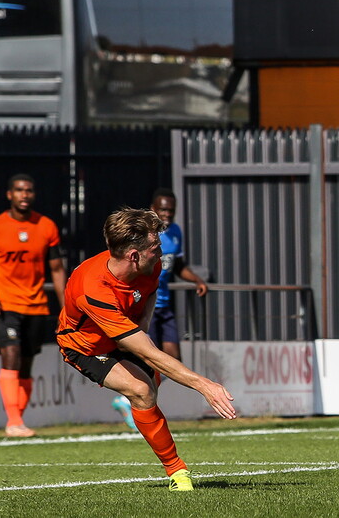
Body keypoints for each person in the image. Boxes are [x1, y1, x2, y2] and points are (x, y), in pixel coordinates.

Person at [56, 207, 236, 491]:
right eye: (156, 247)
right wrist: (205, 386)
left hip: (121, 333)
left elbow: (149, 292)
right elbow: (149, 353)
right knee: (141, 390)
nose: (162, 253)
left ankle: (133, 407)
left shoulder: (150, 266)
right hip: (84, 346)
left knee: (150, 385)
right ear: (133, 255)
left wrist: (142, 326)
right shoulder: (93, 289)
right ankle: (178, 473)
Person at [0, 174, 67, 437]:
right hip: (5, 302)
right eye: (19, 190)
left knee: (26, 364)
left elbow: (57, 269)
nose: (24, 195)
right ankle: (13, 421)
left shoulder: (46, 226)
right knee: (10, 354)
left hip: (36, 304)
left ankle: (18, 421)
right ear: (9, 194)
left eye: (28, 190)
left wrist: (66, 305)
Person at [111, 188, 209, 430]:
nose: (167, 214)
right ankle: (133, 402)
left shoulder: (175, 233)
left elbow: (178, 265)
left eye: (171, 210)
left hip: (163, 304)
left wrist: (196, 279)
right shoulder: (143, 235)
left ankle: (131, 401)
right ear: (152, 209)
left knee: (173, 358)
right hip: (145, 304)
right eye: (162, 209)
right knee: (150, 357)